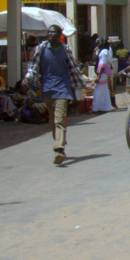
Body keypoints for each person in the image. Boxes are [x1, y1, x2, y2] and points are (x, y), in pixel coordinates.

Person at [24, 24, 85, 165]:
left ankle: (59, 149)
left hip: (63, 90)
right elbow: (33, 67)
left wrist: (77, 90)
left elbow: (73, 69)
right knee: (52, 122)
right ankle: (60, 142)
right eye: (48, 32)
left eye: (53, 33)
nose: (50, 35)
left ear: (59, 35)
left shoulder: (65, 50)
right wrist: (27, 79)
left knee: (59, 120)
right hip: (47, 91)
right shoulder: (41, 49)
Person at [91, 37, 113, 113]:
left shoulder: (104, 52)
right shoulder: (104, 51)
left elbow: (102, 65)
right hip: (103, 74)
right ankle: (105, 107)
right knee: (104, 90)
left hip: (102, 74)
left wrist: (98, 76)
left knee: (98, 91)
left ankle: (96, 108)